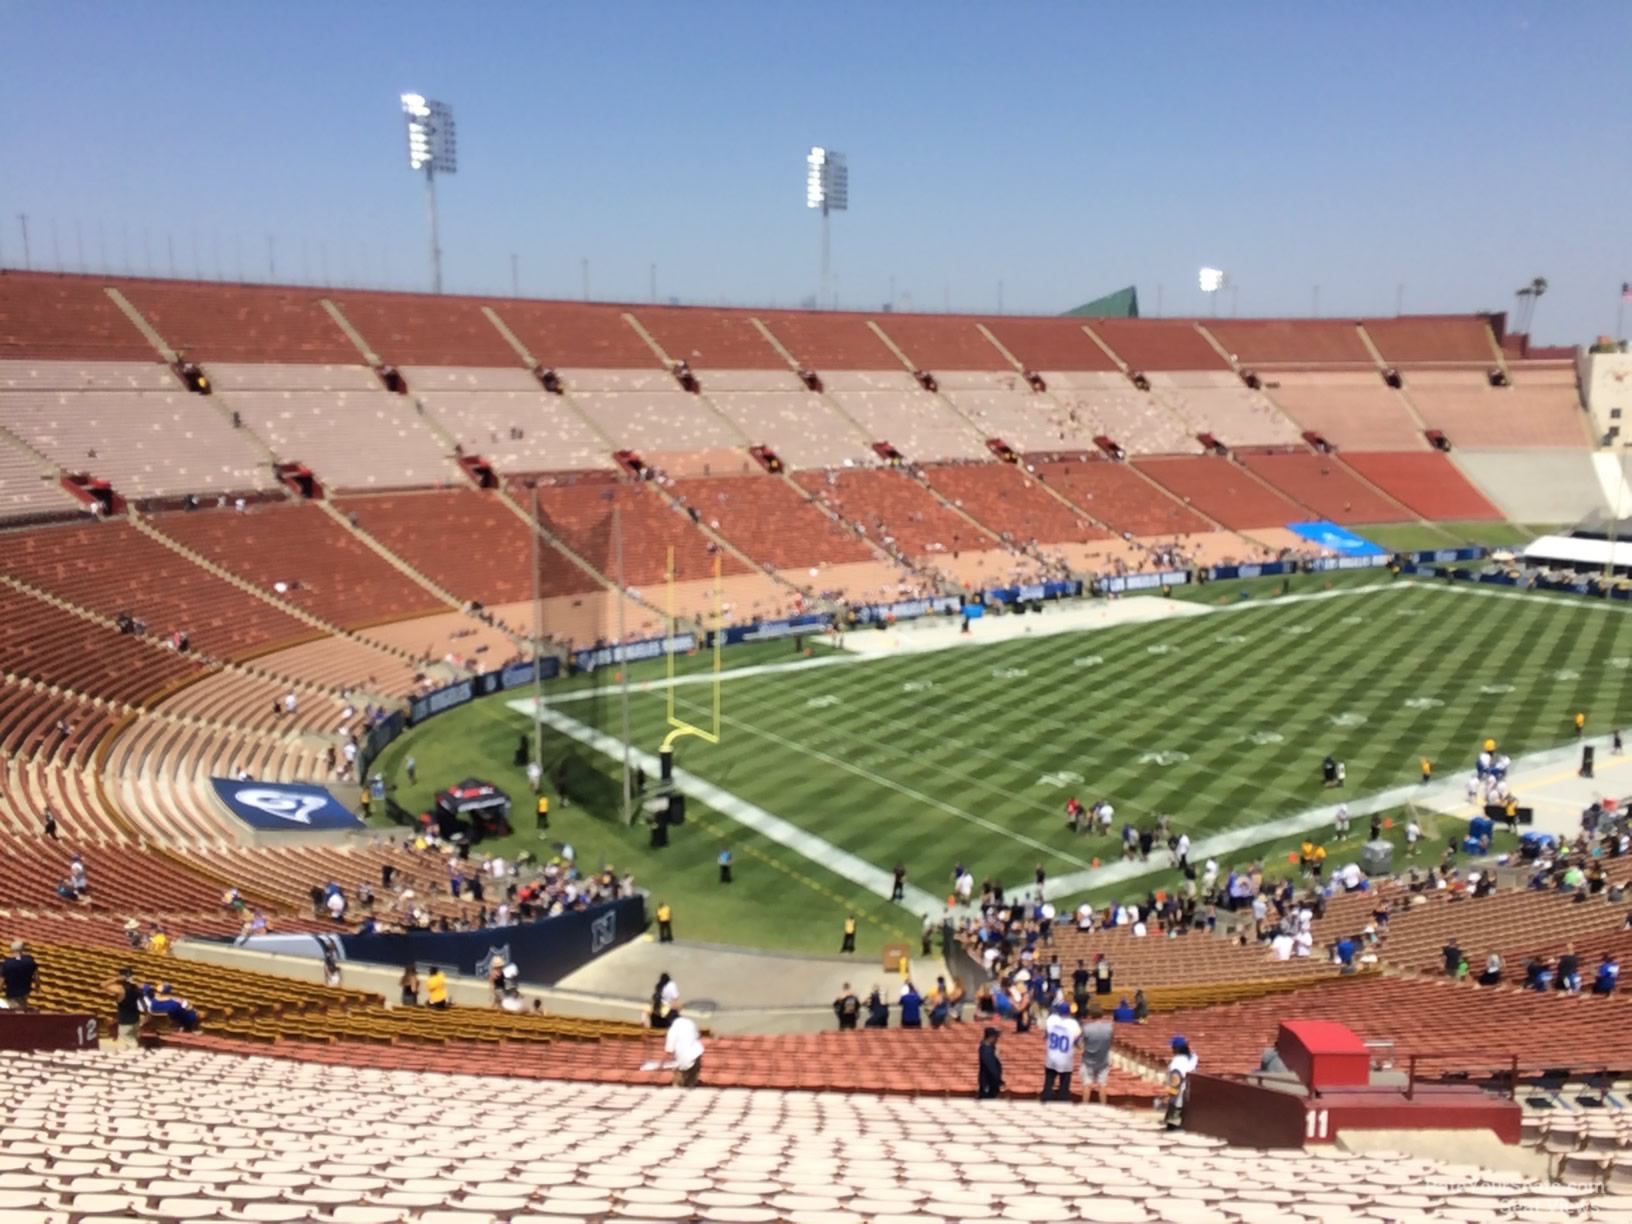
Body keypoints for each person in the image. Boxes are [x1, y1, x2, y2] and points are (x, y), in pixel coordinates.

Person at [1041, 999, 1081, 1102]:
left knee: (1049, 1083)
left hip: (1052, 1056)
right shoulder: (1073, 1024)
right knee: (1064, 1085)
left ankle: (1046, 1100)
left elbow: (1045, 1034)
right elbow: (1077, 1041)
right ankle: (1062, 1102)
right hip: (1066, 1058)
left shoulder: (1052, 1019)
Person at [1079, 1003, 1115, 1104]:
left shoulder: (1086, 1028)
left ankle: (1085, 1106)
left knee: (1087, 1084)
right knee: (1102, 1084)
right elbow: (1111, 1040)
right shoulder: (1109, 1028)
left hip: (1088, 1060)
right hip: (1103, 1059)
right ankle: (1103, 1106)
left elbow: (1081, 1043)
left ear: (1090, 1015)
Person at [664, 1000, 704, 1088]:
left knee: (678, 1083)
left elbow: (669, 1050)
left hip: (682, 1059)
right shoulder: (690, 1023)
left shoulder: (672, 1030)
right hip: (696, 1054)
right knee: (692, 1082)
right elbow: (697, 1036)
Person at [1164, 1036, 1198, 1131]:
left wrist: (1172, 1096)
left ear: (1177, 1049)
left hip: (1180, 1090)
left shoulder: (1177, 1062)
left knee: (1176, 1109)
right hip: (1190, 1090)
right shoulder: (1192, 1058)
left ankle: (1174, 1125)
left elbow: (1176, 1080)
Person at [104, 967, 143, 1047]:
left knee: (127, 1042)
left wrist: (116, 979)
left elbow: (103, 985)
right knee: (133, 1038)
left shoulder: (121, 989)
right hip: (136, 1019)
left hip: (125, 1021)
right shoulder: (137, 987)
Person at [2, 940, 38, 1012]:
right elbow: (36, 975)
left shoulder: (7, 963)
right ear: (22, 949)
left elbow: (1, 979)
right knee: (21, 1007)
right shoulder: (29, 961)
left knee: (14, 1010)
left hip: (11, 992)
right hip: (25, 991)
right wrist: (37, 986)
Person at [976, 1025, 1005, 1098]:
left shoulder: (990, 1048)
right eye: (996, 1037)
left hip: (991, 1083)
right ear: (991, 1037)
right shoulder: (986, 1050)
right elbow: (991, 1067)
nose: (997, 1039)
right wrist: (999, 1081)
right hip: (988, 1083)